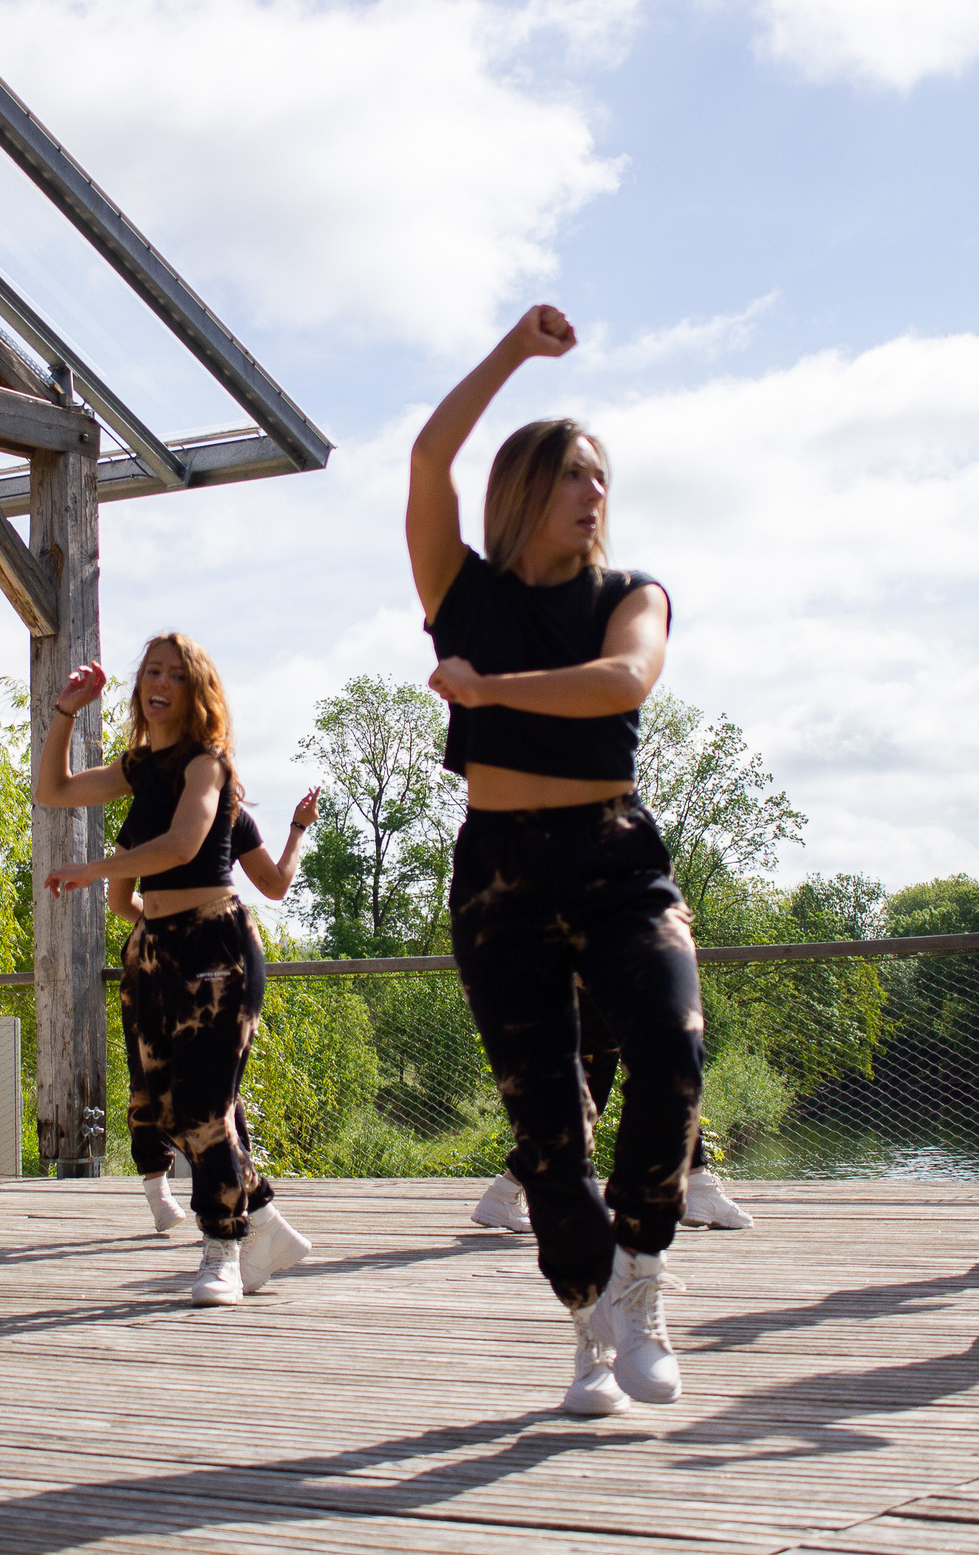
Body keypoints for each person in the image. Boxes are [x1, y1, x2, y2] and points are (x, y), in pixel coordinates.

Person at [407, 303, 702, 1418]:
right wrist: (512, 354)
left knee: (672, 1055)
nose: (594, 492)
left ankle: (643, 1273)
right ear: (527, 488)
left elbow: (624, 683)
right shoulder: (462, 592)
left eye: (603, 477)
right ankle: (590, 1323)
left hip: (616, 854)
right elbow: (431, 455)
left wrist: (489, 692)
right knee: (546, 1125)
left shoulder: (632, 594)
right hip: (501, 872)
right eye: (574, 473)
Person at [37, 635, 312, 1306]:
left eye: (175, 674)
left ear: (196, 692)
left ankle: (223, 1246)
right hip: (157, 948)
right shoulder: (139, 768)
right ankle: (267, 1221)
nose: (159, 682)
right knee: (164, 1107)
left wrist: (91, 869)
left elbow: (186, 845)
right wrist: (66, 712)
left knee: (203, 1108)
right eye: (150, 672)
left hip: (214, 945)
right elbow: (53, 790)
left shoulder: (207, 766)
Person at [119, 787, 319, 1235]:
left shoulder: (148, 812)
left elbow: (119, 902)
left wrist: (159, 925)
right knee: (210, 1092)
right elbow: (276, 884)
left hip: (156, 955)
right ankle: (244, 1209)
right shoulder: (226, 813)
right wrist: (298, 830)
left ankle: (220, 1212)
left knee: (164, 1084)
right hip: (194, 952)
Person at [469, 1008, 753, 1234]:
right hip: (610, 955)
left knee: (585, 1100)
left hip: (587, 959)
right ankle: (697, 1186)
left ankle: (505, 1191)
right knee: (663, 1052)